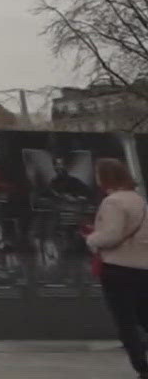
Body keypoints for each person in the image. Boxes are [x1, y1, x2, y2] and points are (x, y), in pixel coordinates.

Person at [85, 158, 148, 378]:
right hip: (143, 267)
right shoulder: (140, 201)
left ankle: (142, 366)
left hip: (118, 268)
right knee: (144, 316)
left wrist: (92, 239)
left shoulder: (112, 202)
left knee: (125, 321)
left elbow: (111, 236)